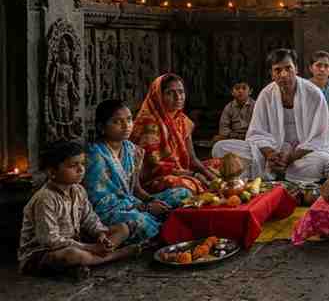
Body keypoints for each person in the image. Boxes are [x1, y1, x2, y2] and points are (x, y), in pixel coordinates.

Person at [212, 49, 329, 182]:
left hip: (302, 155)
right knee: (220, 148)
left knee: (323, 161)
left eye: (288, 68)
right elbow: (256, 133)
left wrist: (291, 157)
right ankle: (280, 172)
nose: (283, 74)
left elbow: (320, 138)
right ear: (272, 74)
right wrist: (270, 154)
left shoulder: (314, 94)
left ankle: (270, 173)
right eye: (277, 70)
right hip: (272, 152)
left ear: (297, 69)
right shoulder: (266, 94)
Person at [19, 141, 137, 277]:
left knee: (123, 228)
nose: (81, 169)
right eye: (73, 165)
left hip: (75, 241)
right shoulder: (45, 198)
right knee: (72, 255)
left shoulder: (78, 190)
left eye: (82, 164)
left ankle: (84, 262)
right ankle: (115, 255)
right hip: (41, 254)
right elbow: (50, 240)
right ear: (52, 171)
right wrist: (89, 247)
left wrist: (101, 235)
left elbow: (89, 218)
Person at [84, 99, 191, 246]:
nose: (126, 125)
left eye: (129, 120)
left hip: (134, 203)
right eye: (117, 122)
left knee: (182, 194)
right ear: (101, 127)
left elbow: (136, 189)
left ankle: (163, 223)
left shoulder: (131, 150)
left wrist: (151, 201)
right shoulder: (95, 155)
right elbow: (99, 202)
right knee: (141, 221)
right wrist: (145, 208)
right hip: (110, 212)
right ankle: (164, 226)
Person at [130, 74, 220, 194]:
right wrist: (194, 175)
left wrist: (213, 178)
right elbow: (156, 167)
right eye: (170, 93)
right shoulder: (149, 122)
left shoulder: (182, 120)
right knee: (184, 185)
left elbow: (192, 159)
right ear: (158, 96)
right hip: (155, 178)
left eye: (181, 92)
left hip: (181, 170)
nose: (178, 97)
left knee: (220, 165)